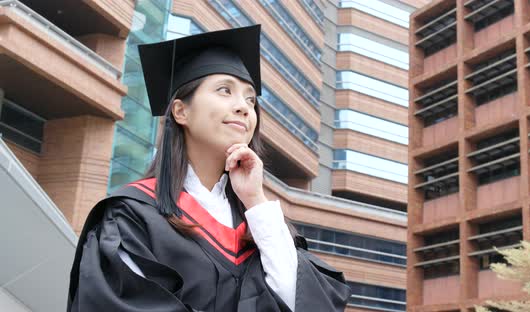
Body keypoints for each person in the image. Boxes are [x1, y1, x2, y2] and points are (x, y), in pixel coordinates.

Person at [66, 25, 351, 312]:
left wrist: (256, 201)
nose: (243, 107)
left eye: (251, 99)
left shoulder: (258, 226)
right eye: (225, 90)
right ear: (181, 111)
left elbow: (306, 304)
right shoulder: (132, 217)